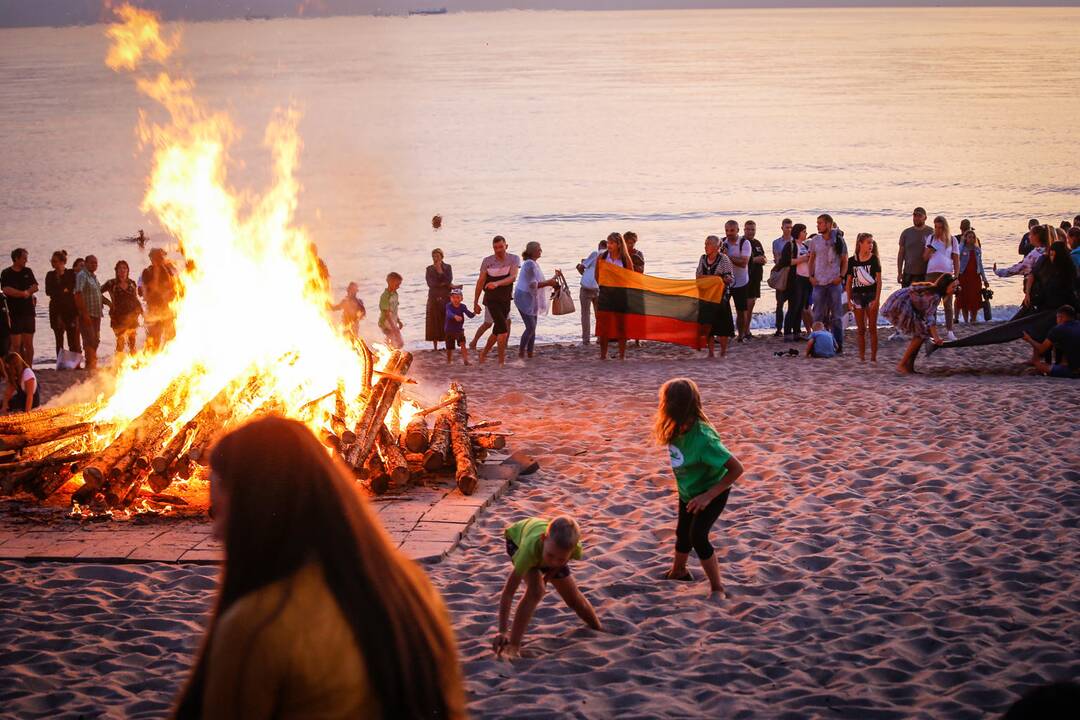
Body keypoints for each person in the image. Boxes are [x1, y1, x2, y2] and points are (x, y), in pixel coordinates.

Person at [172, 416, 465, 719]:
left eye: (221, 514)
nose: (215, 533)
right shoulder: (411, 585)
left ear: (256, 511)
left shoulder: (258, 624)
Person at [655, 378, 745, 602]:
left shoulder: (704, 438)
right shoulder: (674, 428)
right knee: (682, 533)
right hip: (688, 492)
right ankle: (679, 571)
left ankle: (717, 588)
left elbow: (736, 469)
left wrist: (708, 496)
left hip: (712, 492)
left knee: (698, 536)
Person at [493, 515, 601, 660]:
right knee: (536, 591)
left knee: (574, 598)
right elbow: (508, 593)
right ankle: (513, 646)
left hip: (547, 547)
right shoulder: (528, 552)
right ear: (544, 539)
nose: (554, 562)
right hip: (517, 540)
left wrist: (548, 577)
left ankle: (597, 627)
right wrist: (502, 630)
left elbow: (559, 560)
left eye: (561, 558)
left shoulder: (572, 549)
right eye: (550, 556)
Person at [880, 273, 957, 374]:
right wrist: (936, 337)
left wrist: (932, 334)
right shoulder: (936, 296)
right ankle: (902, 365)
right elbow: (930, 317)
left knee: (921, 334)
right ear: (945, 286)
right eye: (953, 287)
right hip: (903, 303)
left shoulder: (933, 289)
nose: (955, 289)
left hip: (904, 300)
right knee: (920, 335)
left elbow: (924, 311)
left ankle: (909, 367)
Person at [473, 236, 520, 365]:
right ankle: (501, 362)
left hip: (505, 299)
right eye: (495, 247)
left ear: (506, 246)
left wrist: (497, 283)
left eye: (501, 247)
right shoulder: (487, 261)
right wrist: (475, 302)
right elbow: (480, 281)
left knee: (497, 331)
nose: (498, 250)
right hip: (491, 299)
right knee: (503, 331)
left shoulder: (514, 259)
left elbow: (513, 277)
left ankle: (483, 354)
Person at [808, 214, 848, 353]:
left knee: (836, 316)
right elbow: (811, 259)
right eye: (817, 223)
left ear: (829, 225)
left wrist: (841, 277)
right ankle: (815, 345)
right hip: (819, 282)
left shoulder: (839, 240)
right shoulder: (815, 240)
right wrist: (810, 276)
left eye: (820, 223)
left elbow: (845, 260)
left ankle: (838, 346)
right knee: (818, 314)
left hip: (834, 282)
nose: (818, 225)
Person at [514, 242, 559, 360]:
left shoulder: (533, 263)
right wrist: (550, 282)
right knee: (530, 327)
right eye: (539, 249)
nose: (541, 251)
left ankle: (530, 352)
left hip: (531, 298)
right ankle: (521, 352)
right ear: (533, 251)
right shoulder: (530, 264)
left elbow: (540, 281)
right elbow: (533, 285)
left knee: (533, 326)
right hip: (523, 297)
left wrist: (553, 278)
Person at [844, 232, 882, 362]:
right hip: (857, 296)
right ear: (860, 243)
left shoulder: (874, 259)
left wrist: (877, 300)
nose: (871, 245)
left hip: (871, 295)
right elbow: (849, 282)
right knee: (861, 329)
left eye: (872, 242)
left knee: (872, 328)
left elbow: (879, 281)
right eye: (868, 242)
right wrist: (848, 300)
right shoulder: (852, 261)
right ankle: (861, 357)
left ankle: (873, 358)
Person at [696, 235, 735, 358]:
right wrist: (716, 278)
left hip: (720, 297)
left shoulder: (724, 259)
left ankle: (723, 351)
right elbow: (698, 277)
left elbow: (730, 278)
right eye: (705, 243)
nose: (705, 246)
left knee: (723, 326)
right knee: (708, 325)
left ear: (717, 247)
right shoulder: (703, 259)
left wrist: (723, 279)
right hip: (706, 297)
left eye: (708, 244)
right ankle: (711, 352)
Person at [597, 232, 632, 360]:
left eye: (611, 243)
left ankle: (622, 356)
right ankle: (603, 355)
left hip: (621, 295)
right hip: (605, 294)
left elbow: (630, 277)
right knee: (603, 327)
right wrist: (605, 287)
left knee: (621, 327)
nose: (609, 245)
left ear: (618, 244)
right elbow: (597, 276)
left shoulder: (625, 259)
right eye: (608, 242)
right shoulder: (602, 257)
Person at [924, 215, 960, 340]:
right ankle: (931, 332)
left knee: (947, 303)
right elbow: (925, 257)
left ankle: (950, 330)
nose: (938, 230)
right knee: (931, 303)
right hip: (932, 272)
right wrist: (930, 250)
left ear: (945, 227)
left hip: (946, 273)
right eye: (936, 227)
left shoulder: (952, 240)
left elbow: (956, 259)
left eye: (940, 227)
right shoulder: (931, 238)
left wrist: (956, 276)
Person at [1, 248, 38, 367]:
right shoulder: (6, 273)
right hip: (14, 313)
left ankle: (29, 368)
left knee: (28, 344)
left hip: (28, 312)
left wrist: (28, 292)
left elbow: (35, 286)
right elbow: (6, 289)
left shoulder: (28, 271)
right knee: (16, 345)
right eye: (24, 258)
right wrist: (23, 294)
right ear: (16, 258)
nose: (26, 261)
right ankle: (18, 368)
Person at [1022, 305, 1079, 378]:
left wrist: (1028, 339)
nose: (1056, 321)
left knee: (1038, 364)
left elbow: (1041, 350)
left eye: (1057, 318)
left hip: (1073, 372)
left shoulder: (1058, 329)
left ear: (1060, 317)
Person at [101, 260, 143, 357]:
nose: (122, 270)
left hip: (132, 316)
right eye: (120, 268)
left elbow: (135, 298)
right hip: (117, 316)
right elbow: (97, 292)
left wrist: (141, 311)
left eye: (124, 268)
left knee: (132, 341)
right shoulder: (111, 283)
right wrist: (108, 303)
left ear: (128, 270)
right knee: (120, 341)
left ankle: (133, 362)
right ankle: (118, 363)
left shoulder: (132, 283)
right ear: (116, 270)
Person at [139, 248, 178, 351]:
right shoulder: (147, 272)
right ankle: (151, 359)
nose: (160, 259)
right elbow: (150, 291)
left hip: (166, 308)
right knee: (154, 339)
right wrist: (156, 272)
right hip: (153, 309)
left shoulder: (167, 270)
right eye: (157, 257)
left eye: (161, 257)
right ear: (151, 259)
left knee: (171, 336)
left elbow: (173, 288)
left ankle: (166, 357)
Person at [778, 223, 812, 341]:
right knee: (793, 306)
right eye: (804, 231)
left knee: (801, 307)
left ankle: (797, 332)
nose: (806, 233)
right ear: (798, 232)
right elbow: (785, 261)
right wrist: (802, 259)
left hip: (805, 279)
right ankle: (787, 333)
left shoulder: (805, 246)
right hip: (795, 279)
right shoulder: (790, 245)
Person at [44, 250, 81, 358]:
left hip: (70, 310)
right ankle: (60, 363)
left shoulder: (70, 273)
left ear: (62, 262)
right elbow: (48, 291)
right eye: (52, 261)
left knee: (72, 339)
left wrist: (61, 290)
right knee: (59, 339)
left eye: (55, 261)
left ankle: (73, 363)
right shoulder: (50, 275)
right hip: (55, 310)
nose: (53, 263)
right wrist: (63, 290)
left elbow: (70, 288)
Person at [722, 221, 752, 342]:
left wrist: (727, 256)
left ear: (738, 230)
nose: (729, 233)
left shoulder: (745, 243)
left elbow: (744, 263)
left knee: (741, 311)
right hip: (726, 282)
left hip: (741, 282)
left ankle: (741, 335)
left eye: (732, 230)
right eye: (727, 230)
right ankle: (726, 334)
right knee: (722, 309)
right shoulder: (722, 242)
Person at [74, 255, 103, 371]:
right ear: (85, 263)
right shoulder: (82, 276)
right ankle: (90, 364)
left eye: (96, 263)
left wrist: (110, 304)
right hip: (88, 314)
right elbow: (78, 294)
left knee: (96, 339)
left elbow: (98, 294)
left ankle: (92, 363)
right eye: (91, 263)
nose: (94, 265)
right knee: (89, 339)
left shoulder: (94, 277)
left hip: (96, 314)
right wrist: (84, 313)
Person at [955, 230, 989, 324]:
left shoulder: (977, 249)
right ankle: (966, 320)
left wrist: (984, 278)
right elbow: (957, 254)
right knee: (964, 298)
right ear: (966, 238)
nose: (972, 239)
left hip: (975, 277)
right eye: (969, 237)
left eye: (973, 237)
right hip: (963, 277)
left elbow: (980, 264)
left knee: (975, 298)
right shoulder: (962, 248)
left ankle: (973, 319)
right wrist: (962, 242)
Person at [576, 240, 606, 345]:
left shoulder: (595, 253)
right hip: (600, 287)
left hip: (587, 288)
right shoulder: (609, 257)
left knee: (585, 314)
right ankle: (600, 338)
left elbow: (581, 268)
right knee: (599, 314)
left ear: (599, 246)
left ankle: (586, 340)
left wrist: (580, 269)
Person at [743, 221, 767, 339]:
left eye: (753, 229)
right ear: (744, 230)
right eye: (748, 229)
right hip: (745, 278)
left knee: (751, 304)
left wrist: (759, 259)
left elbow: (763, 258)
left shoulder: (757, 242)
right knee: (744, 306)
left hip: (756, 277)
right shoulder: (742, 242)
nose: (751, 232)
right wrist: (755, 259)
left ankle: (747, 330)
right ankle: (743, 330)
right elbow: (745, 260)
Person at [424, 249, 453, 351]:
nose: (435, 258)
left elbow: (449, 280)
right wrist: (442, 283)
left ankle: (448, 344)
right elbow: (430, 284)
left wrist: (440, 271)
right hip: (433, 297)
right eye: (434, 256)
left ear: (442, 257)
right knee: (433, 321)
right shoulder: (429, 269)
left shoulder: (447, 267)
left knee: (446, 319)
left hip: (445, 296)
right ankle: (435, 347)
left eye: (437, 256)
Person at [897, 207, 932, 288]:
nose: (916, 218)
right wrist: (899, 272)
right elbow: (901, 254)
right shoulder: (906, 233)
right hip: (908, 273)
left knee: (923, 300)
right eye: (915, 215)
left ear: (925, 218)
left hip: (925, 273)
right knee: (906, 298)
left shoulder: (931, 232)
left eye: (919, 216)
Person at [771, 219, 794, 336]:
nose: (789, 229)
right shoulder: (776, 242)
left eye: (791, 227)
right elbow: (777, 259)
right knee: (779, 303)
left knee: (792, 303)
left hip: (793, 275)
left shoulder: (795, 242)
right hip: (781, 274)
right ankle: (779, 328)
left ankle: (790, 328)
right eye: (787, 227)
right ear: (782, 228)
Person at [444, 288, 474, 365]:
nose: (455, 299)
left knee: (463, 343)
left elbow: (470, 315)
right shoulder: (448, 306)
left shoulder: (463, 306)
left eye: (458, 297)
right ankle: (449, 361)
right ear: (450, 298)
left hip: (459, 330)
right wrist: (455, 316)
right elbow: (448, 313)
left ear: (462, 298)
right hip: (449, 330)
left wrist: (475, 312)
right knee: (449, 348)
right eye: (453, 297)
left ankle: (465, 361)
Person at [378, 272, 404, 349]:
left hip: (393, 322)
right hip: (386, 323)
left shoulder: (395, 294)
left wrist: (398, 321)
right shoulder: (385, 296)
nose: (398, 287)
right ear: (390, 282)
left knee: (400, 343)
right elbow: (387, 313)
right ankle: (389, 355)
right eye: (397, 285)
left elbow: (395, 309)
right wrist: (393, 327)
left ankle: (390, 352)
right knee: (393, 342)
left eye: (399, 285)